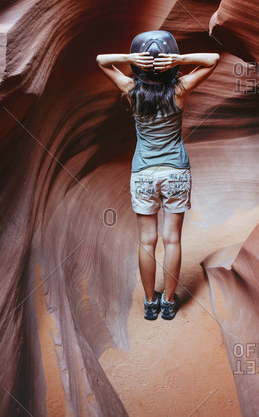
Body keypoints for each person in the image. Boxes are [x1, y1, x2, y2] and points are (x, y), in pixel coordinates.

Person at [96, 30, 220, 320]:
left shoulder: (130, 90)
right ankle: (168, 302)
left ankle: (150, 303)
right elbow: (212, 60)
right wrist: (180, 59)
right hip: (176, 172)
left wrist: (129, 58)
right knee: (172, 240)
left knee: (147, 241)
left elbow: (101, 60)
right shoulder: (179, 90)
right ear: (169, 64)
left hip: (143, 175)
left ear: (138, 66)